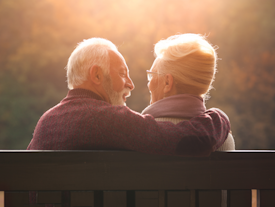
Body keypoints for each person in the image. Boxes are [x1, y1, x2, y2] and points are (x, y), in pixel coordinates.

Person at [27, 37, 231, 156]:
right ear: (97, 75)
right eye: (122, 74)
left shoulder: (46, 121)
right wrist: (219, 118)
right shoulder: (107, 120)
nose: (131, 84)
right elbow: (186, 140)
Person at [142, 33, 235, 151]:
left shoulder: (144, 134)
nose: (149, 84)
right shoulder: (225, 139)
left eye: (152, 76)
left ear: (167, 83)